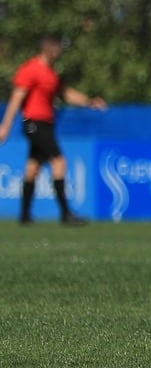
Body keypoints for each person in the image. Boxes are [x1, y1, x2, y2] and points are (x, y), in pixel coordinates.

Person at [2, 34, 107, 225]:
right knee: (59, 161)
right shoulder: (31, 69)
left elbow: (65, 93)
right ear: (49, 48)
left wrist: (89, 101)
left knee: (34, 167)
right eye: (58, 47)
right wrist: (5, 126)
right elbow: (16, 98)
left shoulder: (50, 73)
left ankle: (25, 216)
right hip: (34, 123)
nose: (60, 51)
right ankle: (66, 214)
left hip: (47, 124)